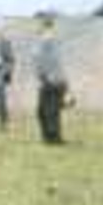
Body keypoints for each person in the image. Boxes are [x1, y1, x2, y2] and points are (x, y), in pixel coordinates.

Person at [35, 14, 69, 145]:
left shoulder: (47, 38)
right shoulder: (48, 39)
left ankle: (53, 138)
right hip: (52, 78)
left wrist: (45, 76)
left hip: (51, 79)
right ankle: (51, 137)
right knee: (47, 111)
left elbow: (47, 60)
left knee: (48, 111)